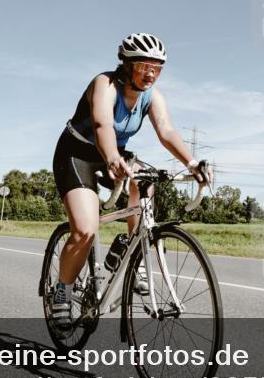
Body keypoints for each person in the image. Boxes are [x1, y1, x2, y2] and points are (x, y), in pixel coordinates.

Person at [49, 33, 212, 328]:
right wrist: (111, 157)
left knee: (146, 183)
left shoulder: (153, 96)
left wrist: (191, 162)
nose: (150, 74)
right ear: (126, 64)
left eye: (156, 68)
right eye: (143, 66)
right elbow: (102, 124)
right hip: (77, 154)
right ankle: (62, 291)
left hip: (117, 154)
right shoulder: (105, 84)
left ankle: (129, 248)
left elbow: (166, 131)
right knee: (85, 230)